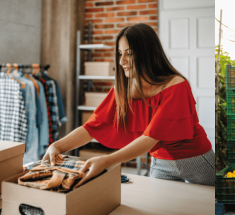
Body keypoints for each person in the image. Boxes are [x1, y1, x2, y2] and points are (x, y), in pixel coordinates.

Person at [42, 23, 215, 187]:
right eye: (119, 53)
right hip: (161, 163)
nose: (121, 61)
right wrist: (56, 146)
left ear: (148, 53)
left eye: (129, 53)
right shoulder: (122, 89)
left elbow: (150, 138)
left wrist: (107, 161)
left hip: (196, 159)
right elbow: (92, 127)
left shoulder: (177, 85)